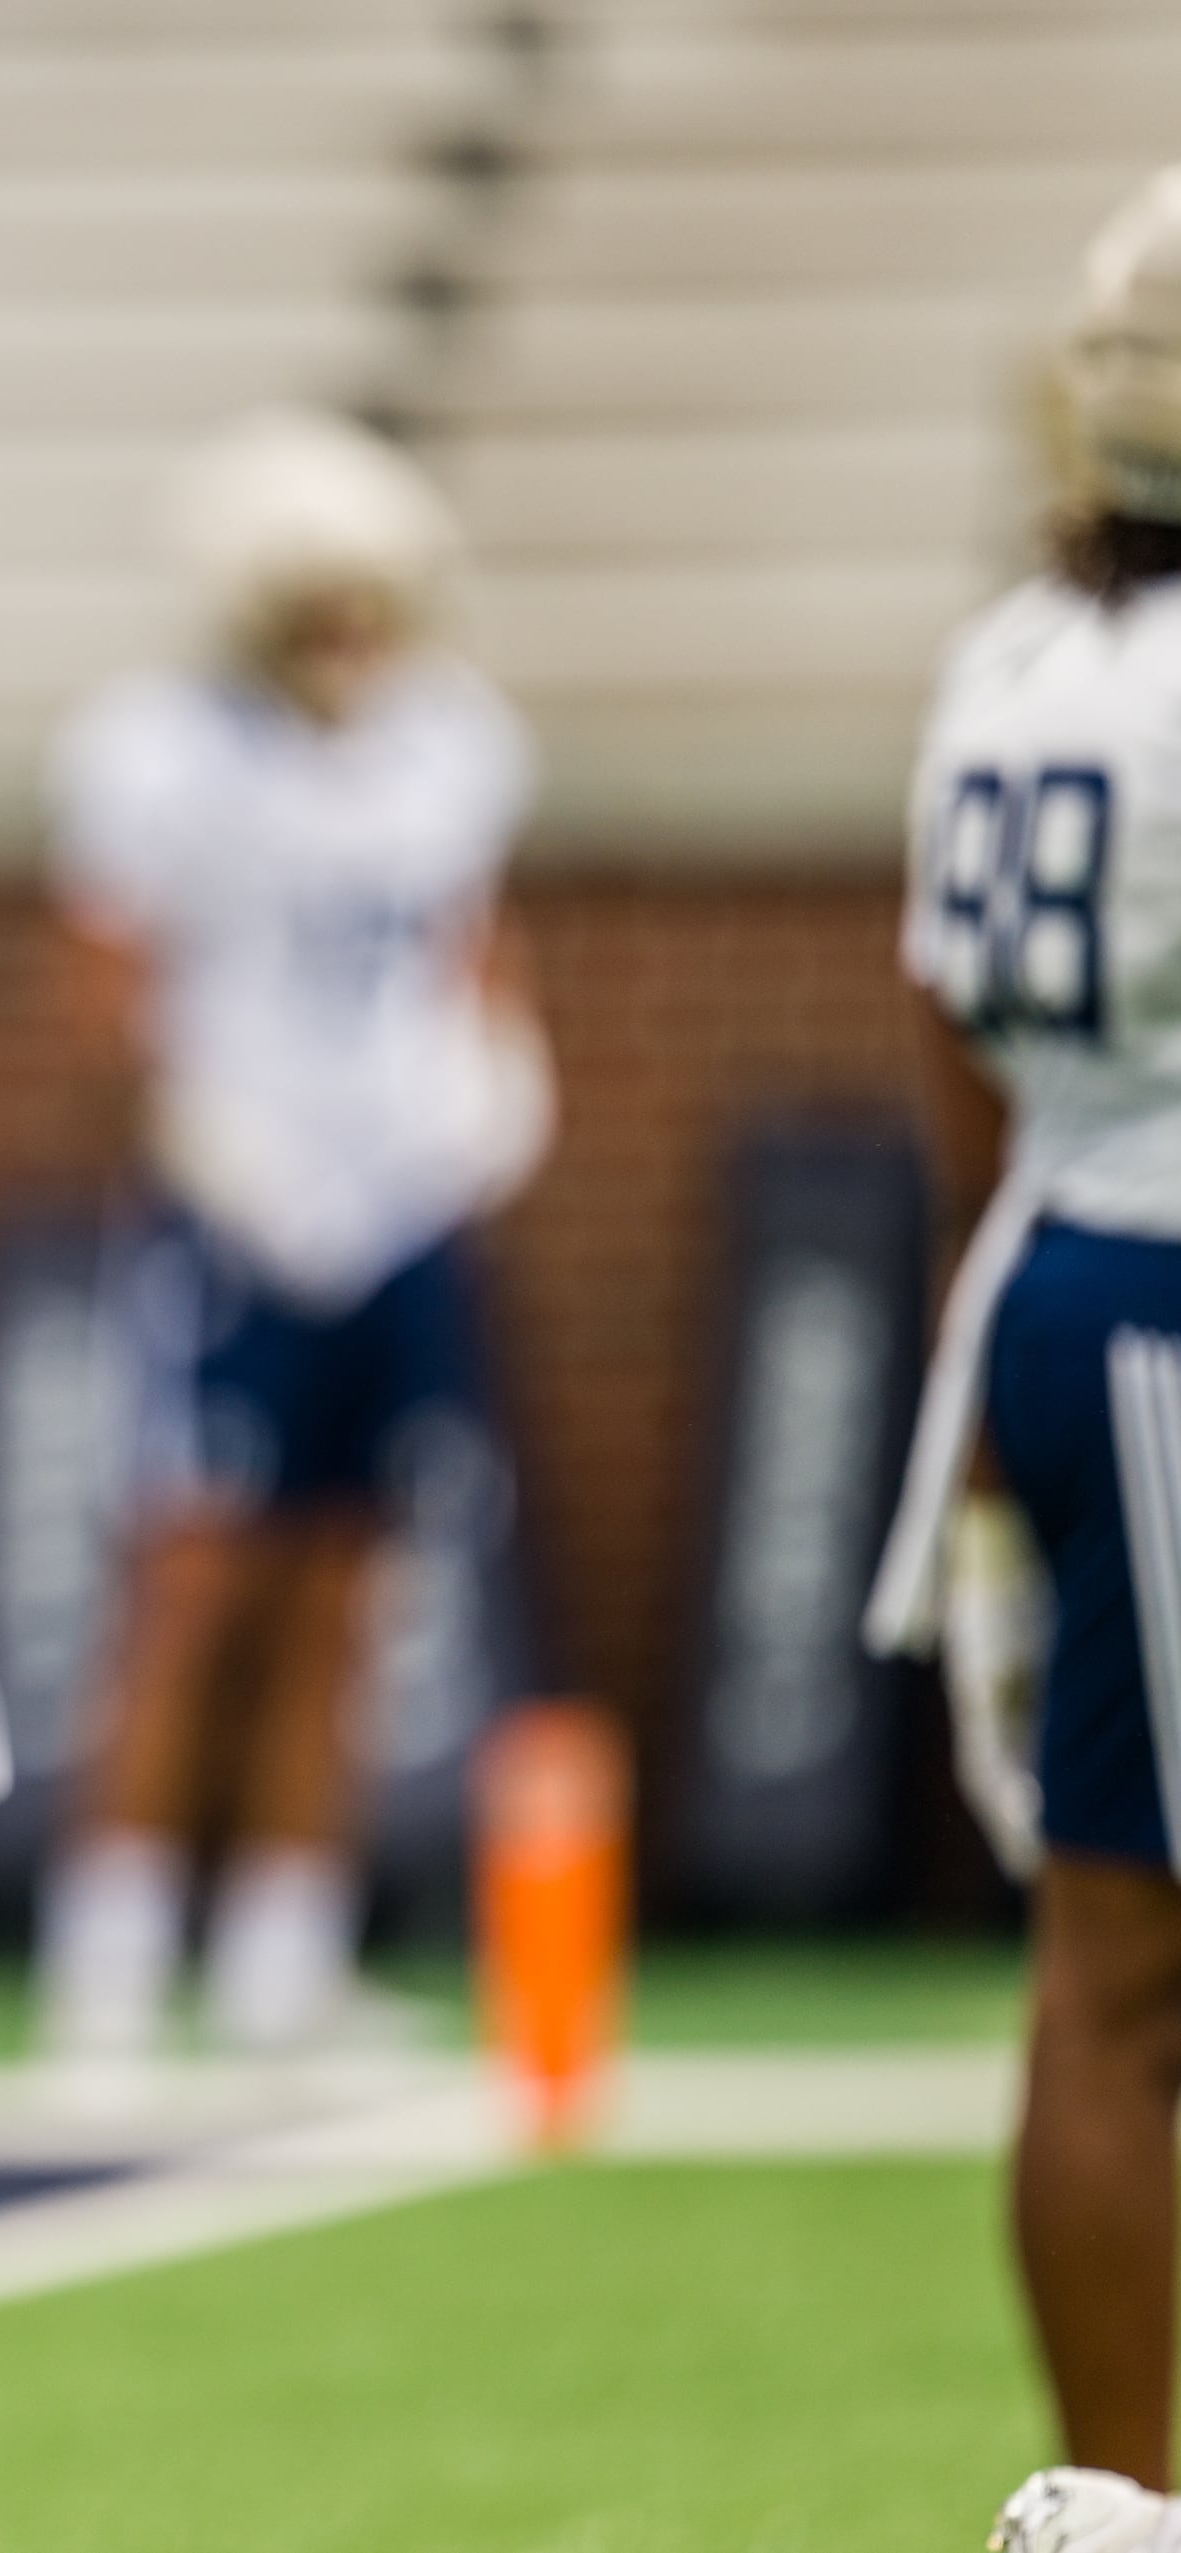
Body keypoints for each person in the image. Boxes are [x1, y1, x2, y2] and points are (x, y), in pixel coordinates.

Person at [33, 406, 553, 2065]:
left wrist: (494, 1088)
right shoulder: (162, 752)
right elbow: (107, 989)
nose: (348, 640)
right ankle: (108, 1953)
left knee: (352, 1588)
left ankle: (281, 1950)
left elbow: (473, 952)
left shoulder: (446, 739)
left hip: (400, 1216)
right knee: (192, 1582)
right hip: (239, 1220)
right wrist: (205, 1146)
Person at [869, 169, 1181, 2553]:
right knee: (1126, 1967)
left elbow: (957, 1028)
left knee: (1112, 1963)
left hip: (1071, 1258)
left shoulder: (1012, 648)